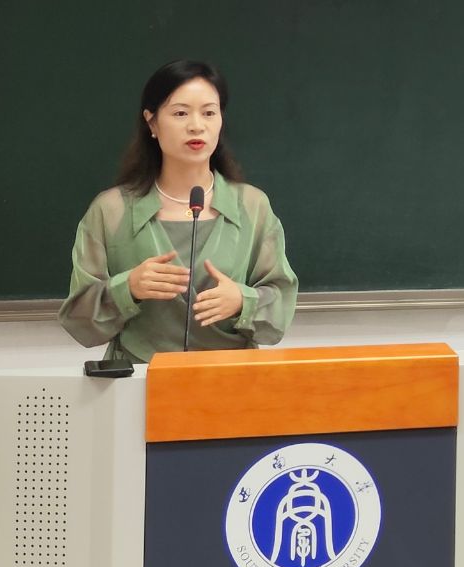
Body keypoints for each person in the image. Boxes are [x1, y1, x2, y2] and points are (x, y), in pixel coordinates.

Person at [59, 59, 297, 363]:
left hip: (231, 378)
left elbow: (280, 308)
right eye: (180, 113)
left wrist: (242, 301)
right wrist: (128, 288)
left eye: (209, 113)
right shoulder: (111, 210)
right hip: (139, 377)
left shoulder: (252, 206)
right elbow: (78, 322)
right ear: (152, 123)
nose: (197, 125)